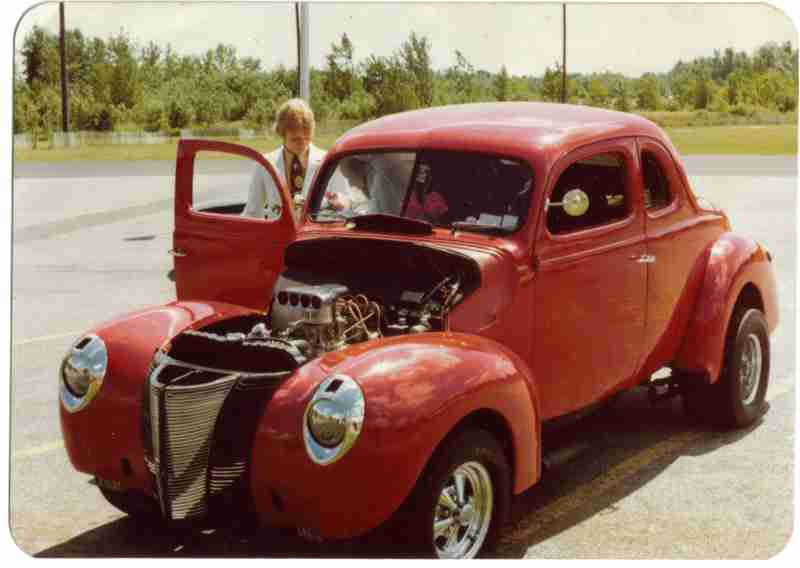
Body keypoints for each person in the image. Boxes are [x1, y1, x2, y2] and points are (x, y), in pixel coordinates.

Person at [243, 98, 343, 219]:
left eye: (307, 137)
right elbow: (252, 212)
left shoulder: (328, 160)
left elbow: (346, 202)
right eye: (295, 139)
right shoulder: (264, 163)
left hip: (317, 236)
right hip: (278, 235)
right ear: (282, 134)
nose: (302, 143)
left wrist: (340, 202)